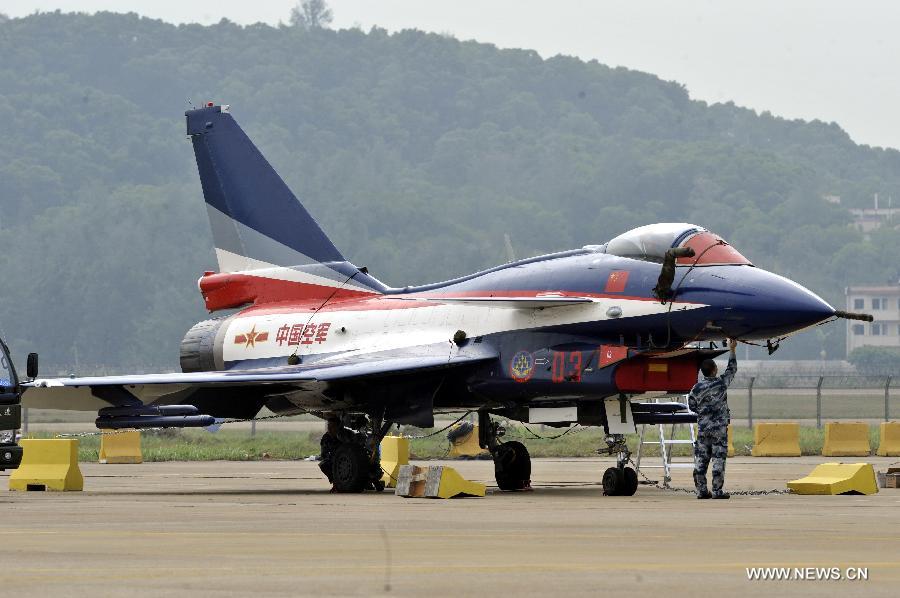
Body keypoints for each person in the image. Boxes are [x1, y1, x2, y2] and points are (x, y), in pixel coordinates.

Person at [689, 338, 737, 499]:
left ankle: (702, 491)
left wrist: (704, 415)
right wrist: (732, 350)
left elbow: (692, 406)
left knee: (701, 460)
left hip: (703, 430)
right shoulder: (721, 384)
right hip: (719, 431)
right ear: (714, 370)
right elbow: (732, 369)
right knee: (718, 460)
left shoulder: (696, 388)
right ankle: (717, 491)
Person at [319, 415, 356, 489]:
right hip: (335, 460)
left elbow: (356, 448)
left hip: (350, 459)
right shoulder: (326, 437)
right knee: (324, 464)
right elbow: (323, 454)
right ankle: (335, 482)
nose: (329, 428)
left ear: (338, 427)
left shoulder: (348, 434)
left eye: (332, 426)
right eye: (328, 426)